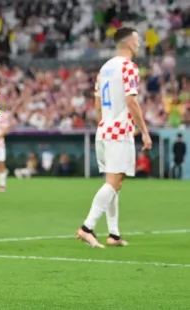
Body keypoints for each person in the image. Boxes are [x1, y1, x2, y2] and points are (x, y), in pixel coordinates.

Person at [76, 27, 152, 248]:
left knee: (113, 184)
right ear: (129, 43)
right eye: (137, 40)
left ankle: (114, 234)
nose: (139, 44)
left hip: (104, 130)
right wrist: (145, 132)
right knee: (114, 182)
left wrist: (105, 123)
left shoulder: (105, 68)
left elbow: (98, 104)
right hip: (119, 132)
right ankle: (87, 227)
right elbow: (132, 101)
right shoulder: (129, 67)